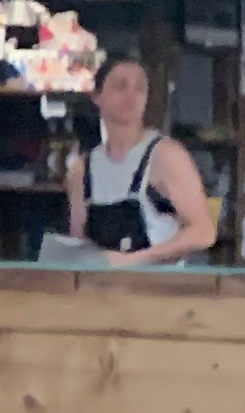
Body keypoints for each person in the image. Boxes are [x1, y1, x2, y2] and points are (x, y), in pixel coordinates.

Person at [62, 48, 215, 263]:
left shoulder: (165, 156)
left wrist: (137, 259)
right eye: (120, 86)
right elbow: (78, 243)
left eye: (140, 88)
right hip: (103, 283)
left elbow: (204, 232)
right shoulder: (82, 170)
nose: (130, 96)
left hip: (157, 283)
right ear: (96, 96)